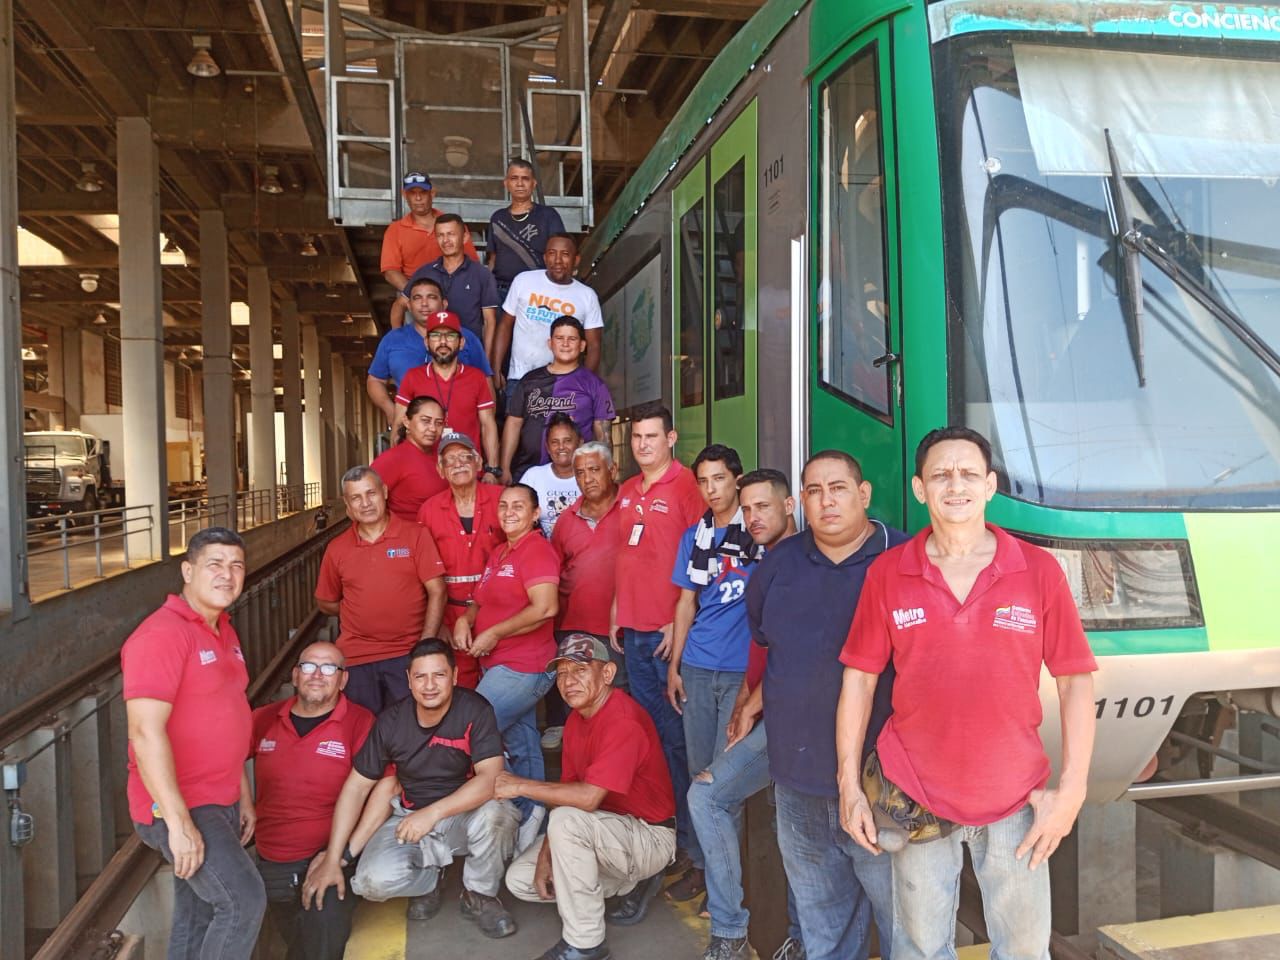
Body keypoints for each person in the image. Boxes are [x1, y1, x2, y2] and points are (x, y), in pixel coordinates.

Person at [837, 427, 1098, 960]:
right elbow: (859, 679)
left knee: (1024, 952)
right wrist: (848, 785)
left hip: (1015, 797)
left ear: (990, 485)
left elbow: (1075, 681)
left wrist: (1072, 791)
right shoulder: (888, 573)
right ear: (919, 488)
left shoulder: (1038, 571)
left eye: (968, 474)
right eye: (941, 475)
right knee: (919, 949)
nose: (955, 485)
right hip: (914, 793)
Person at [747, 450, 908, 960]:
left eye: (838, 488)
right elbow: (765, 638)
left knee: (907, 928)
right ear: (801, 501)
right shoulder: (779, 563)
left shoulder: (904, 560)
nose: (826, 501)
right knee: (824, 929)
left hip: (885, 786)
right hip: (798, 782)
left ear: (864, 494)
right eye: (814, 491)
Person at [304, 639, 520, 936]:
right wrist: (335, 856)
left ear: (455, 676)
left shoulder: (475, 709)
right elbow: (356, 788)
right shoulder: (391, 722)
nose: (429, 685)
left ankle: (479, 894)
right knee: (370, 883)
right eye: (420, 676)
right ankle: (431, 879)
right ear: (408, 679)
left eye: (439, 675)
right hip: (408, 816)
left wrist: (432, 813)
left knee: (499, 813)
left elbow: (491, 779)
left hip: (462, 816)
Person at [122, 526, 266, 958]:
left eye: (236, 565)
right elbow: (144, 733)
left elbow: (228, 717)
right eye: (214, 564)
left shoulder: (223, 630)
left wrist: (242, 795)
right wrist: (179, 823)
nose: (227, 574)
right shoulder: (162, 635)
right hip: (182, 803)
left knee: (198, 912)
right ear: (188, 571)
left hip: (220, 799)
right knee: (243, 901)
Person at [686, 469, 802, 960]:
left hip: (797, 720)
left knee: (798, 826)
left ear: (789, 506)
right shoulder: (766, 561)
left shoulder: (802, 562)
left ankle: (795, 937)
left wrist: (751, 706)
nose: (752, 517)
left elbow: (795, 658)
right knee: (714, 797)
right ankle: (733, 931)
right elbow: (765, 650)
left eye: (763, 507)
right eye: (747, 508)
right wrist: (744, 704)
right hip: (763, 707)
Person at [503, 634, 677, 960]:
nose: (568, 682)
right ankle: (628, 884)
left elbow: (586, 799)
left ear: (607, 673)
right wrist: (546, 858)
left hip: (649, 836)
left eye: (580, 670)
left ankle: (586, 944)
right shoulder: (576, 719)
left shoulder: (622, 719)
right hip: (605, 832)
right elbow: (567, 795)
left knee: (567, 821)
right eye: (562, 674)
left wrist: (519, 786)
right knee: (521, 880)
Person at [609, 401, 706, 890]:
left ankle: (692, 846)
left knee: (678, 741)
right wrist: (616, 610)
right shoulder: (628, 490)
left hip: (669, 634)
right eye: (637, 437)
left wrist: (677, 622)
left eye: (652, 436)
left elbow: (702, 559)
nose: (643, 444)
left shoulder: (687, 486)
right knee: (652, 739)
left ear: (671, 438)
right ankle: (667, 837)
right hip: (633, 631)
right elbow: (627, 556)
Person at [664, 444, 759, 904]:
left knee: (724, 782)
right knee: (698, 773)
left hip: (741, 672)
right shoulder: (694, 536)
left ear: (736, 480)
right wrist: (675, 666)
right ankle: (704, 870)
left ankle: (729, 890)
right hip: (699, 667)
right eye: (703, 481)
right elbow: (686, 603)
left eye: (719, 478)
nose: (711, 489)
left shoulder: (759, 534)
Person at [251, 641, 375, 960]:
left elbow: (383, 790)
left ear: (343, 680)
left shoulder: (360, 722)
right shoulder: (264, 718)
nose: (317, 674)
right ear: (295, 675)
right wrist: (242, 803)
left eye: (329, 668)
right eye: (308, 666)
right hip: (273, 861)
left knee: (322, 936)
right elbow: (223, 753)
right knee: (292, 939)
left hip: (329, 855)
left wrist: (337, 856)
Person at [453, 483, 560, 851]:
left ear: (535, 514)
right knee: (521, 739)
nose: (509, 512)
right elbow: (480, 601)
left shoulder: (537, 551)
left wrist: (494, 632)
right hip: (498, 664)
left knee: (469, 732)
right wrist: (466, 619)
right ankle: (531, 811)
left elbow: (545, 607)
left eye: (519, 506)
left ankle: (514, 811)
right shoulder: (500, 552)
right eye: (503, 505)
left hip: (526, 666)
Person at [315, 466, 447, 715]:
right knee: (362, 730)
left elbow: (437, 591)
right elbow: (324, 601)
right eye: (356, 497)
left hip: (407, 653)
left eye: (371, 493)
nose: (365, 503)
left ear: (384, 492)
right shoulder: (337, 548)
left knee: (409, 727)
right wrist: (358, 610)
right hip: (357, 656)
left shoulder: (416, 535)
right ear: (347, 504)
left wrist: (425, 646)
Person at [417, 431, 504, 689]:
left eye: (465, 457)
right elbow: (422, 574)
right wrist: (438, 624)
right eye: (450, 460)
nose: (458, 464)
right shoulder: (429, 510)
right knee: (460, 689)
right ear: (440, 470)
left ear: (479, 462)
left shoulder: (503, 500)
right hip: (451, 614)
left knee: (501, 688)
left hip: (497, 611)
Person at [366, 276, 491, 430]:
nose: (424, 303)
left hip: (461, 432)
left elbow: (486, 382)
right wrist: (390, 410)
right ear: (409, 305)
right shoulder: (393, 340)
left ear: (444, 304)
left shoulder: (466, 337)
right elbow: (375, 380)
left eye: (431, 297)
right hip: (411, 428)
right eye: (417, 298)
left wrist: (487, 424)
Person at [501, 315, 614, 483]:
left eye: (572, 339)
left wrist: (606, 471)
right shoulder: (529, 381)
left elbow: (603, 433)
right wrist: (504, 467)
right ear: (550, 343)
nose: (565, 344)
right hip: (528, 471)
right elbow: (513, 424)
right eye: (559, 338)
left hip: (578, 476)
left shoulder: (594, 384)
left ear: (582, 345)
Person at [394, 308, 500, 475]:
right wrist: (399, 469)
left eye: (450, 336)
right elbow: (399, 424)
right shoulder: (412, 377)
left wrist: (492, 469)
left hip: (467, 471)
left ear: (461, 342)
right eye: (436, 336)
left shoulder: (476, 377)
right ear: (426, 342)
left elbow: (488, 424)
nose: (443, 341)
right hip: (423, 472)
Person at [493, 234, 603, 392]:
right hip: (520, 379)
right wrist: (496, 368)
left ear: (576, 259)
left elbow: (594, 346)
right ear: (545, 258)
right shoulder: (523, 281)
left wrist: (582, 384)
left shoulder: (587, 296)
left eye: (565, 254)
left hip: (564, 385)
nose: (558, 260)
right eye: (552, 253)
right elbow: (505, 325)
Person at [381, 172, 479, 330]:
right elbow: (390, 271)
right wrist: (417, 294)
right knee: (416, 340)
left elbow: (472, 261)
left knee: (459, 337)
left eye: (423, 192)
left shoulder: (451, 224)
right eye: (412, 193)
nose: (418, 198)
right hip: (414, 295)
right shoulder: (395, 230)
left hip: (454, 291)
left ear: (432, 193)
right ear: (404, 195)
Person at [404, 213, 501, 357]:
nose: (446, 240)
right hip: (428, 354)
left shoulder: (482, 274)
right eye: (440, 235)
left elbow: (489, 322)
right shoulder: (425, 272)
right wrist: (398, 338)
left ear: (465, 237)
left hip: (467, 354)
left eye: (451, 234)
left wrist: (486, 361)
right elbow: (400, 305)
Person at [487, 158, 566, 299]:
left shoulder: (548, 215)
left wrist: (558, 289)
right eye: (514, 178)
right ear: (506, 183)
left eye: (525, 178)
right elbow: (492, 259)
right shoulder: (497, 218)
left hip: (537, 291)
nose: (520, 184)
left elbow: (559, 254)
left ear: (533, 183)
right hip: (502, 291)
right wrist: (488, 291)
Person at [371, 395, 448, 521]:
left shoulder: (444, 455)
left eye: (439, 423)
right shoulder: (393, 459)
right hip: (410, 530)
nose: (433, 429)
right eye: (425, 421)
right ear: (407, 422)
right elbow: (366, 502)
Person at [519, 414, 584, 537]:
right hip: (541, 546)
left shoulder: (589, 477)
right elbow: (519, 515)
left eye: (567, 441)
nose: (561, 447)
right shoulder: (533, 476)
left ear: (580, 443)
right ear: (547, 447)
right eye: (555, 442)